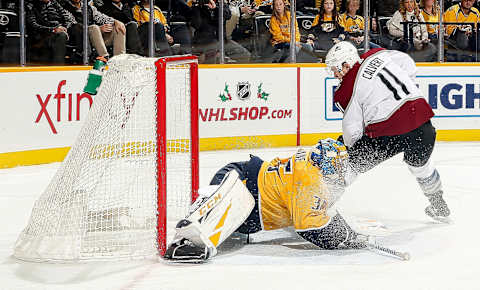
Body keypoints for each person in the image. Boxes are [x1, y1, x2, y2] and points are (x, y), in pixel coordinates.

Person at [164, 139, 371, 262]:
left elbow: (320, 213)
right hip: (245, 185)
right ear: (326, 165)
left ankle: (199, 225)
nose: (342, 168)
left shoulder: (312, 163)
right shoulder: (310, 181)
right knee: (219, 202)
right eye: (338, 163)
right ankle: (186, 239)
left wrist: (347, 232)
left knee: (226, 211)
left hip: (249, 191)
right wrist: (343, 238)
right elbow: (310, 229)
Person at [325, 41, 450, 225]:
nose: (334, 75)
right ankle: (439, 205)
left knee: (351, 164)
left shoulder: (346, 90)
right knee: (421, 166)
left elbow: (353, 131)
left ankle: (319, 206)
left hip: (388, 133)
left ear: (346, 64)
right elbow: (406, 63)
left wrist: (352, 151)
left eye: (335, 69)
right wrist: (409, 92)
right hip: (422, 123)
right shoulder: (377, 54)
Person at [62, 0, 126, 59]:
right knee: (94, 28)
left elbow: (102, 17)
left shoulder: (90, 8)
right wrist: (99, 28)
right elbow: (75, 26)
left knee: (119, 27)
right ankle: (104, 57)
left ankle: (119, 59)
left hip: (95, 36)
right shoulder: (64, 8)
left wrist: (115, 21)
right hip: (79, 38)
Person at [25, 0, 80, 64]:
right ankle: (59, 67)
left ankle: (81, 55)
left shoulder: (55, 3)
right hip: (44, 35)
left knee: (79, 27)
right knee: (61, 35)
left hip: (61, 30)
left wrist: (64, 28)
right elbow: (33, 25)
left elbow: (66, 18)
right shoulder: (32, 7)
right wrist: (53, 29)